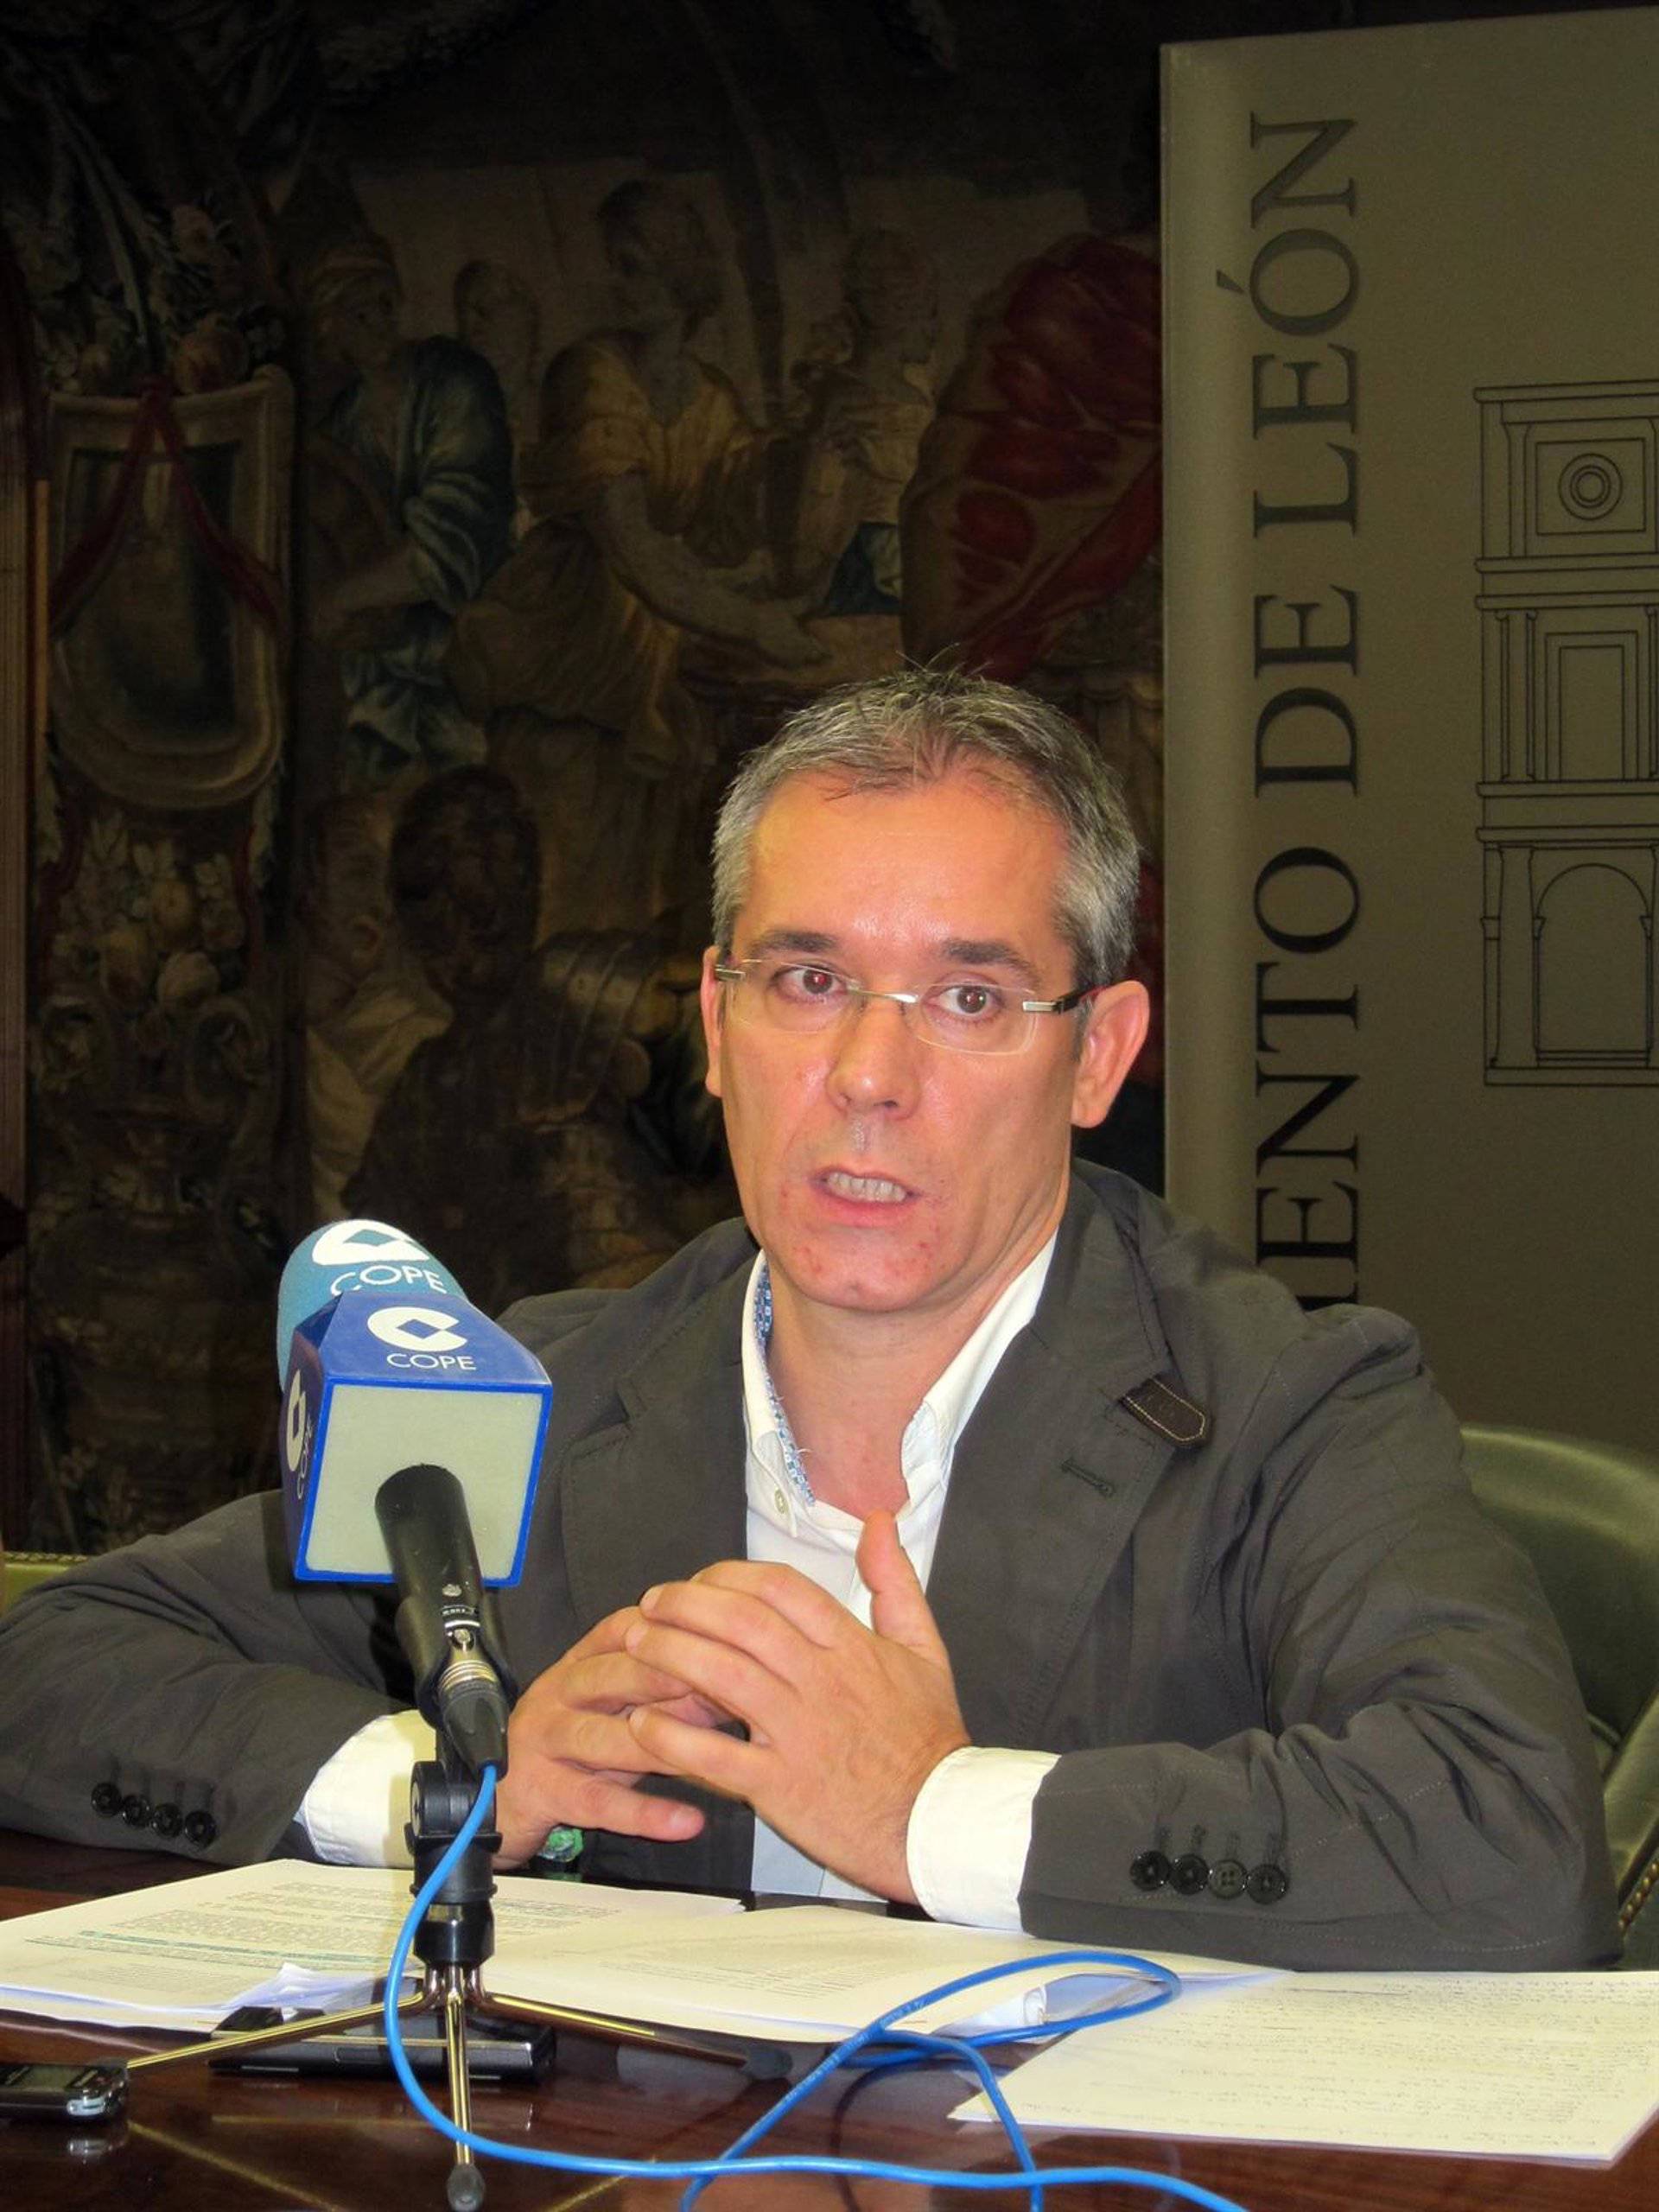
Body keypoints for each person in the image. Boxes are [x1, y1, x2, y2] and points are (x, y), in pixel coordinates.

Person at [0, 671, 1618, 1971]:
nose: (868, 1078)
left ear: (1100, 1055)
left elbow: (1513, 1840)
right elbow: (50, 1668)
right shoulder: (535, 1393)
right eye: (809, 982)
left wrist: (931, 1811)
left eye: (971, 998)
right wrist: (448, 1790)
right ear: (715, 1025)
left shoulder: (1290, 1405)